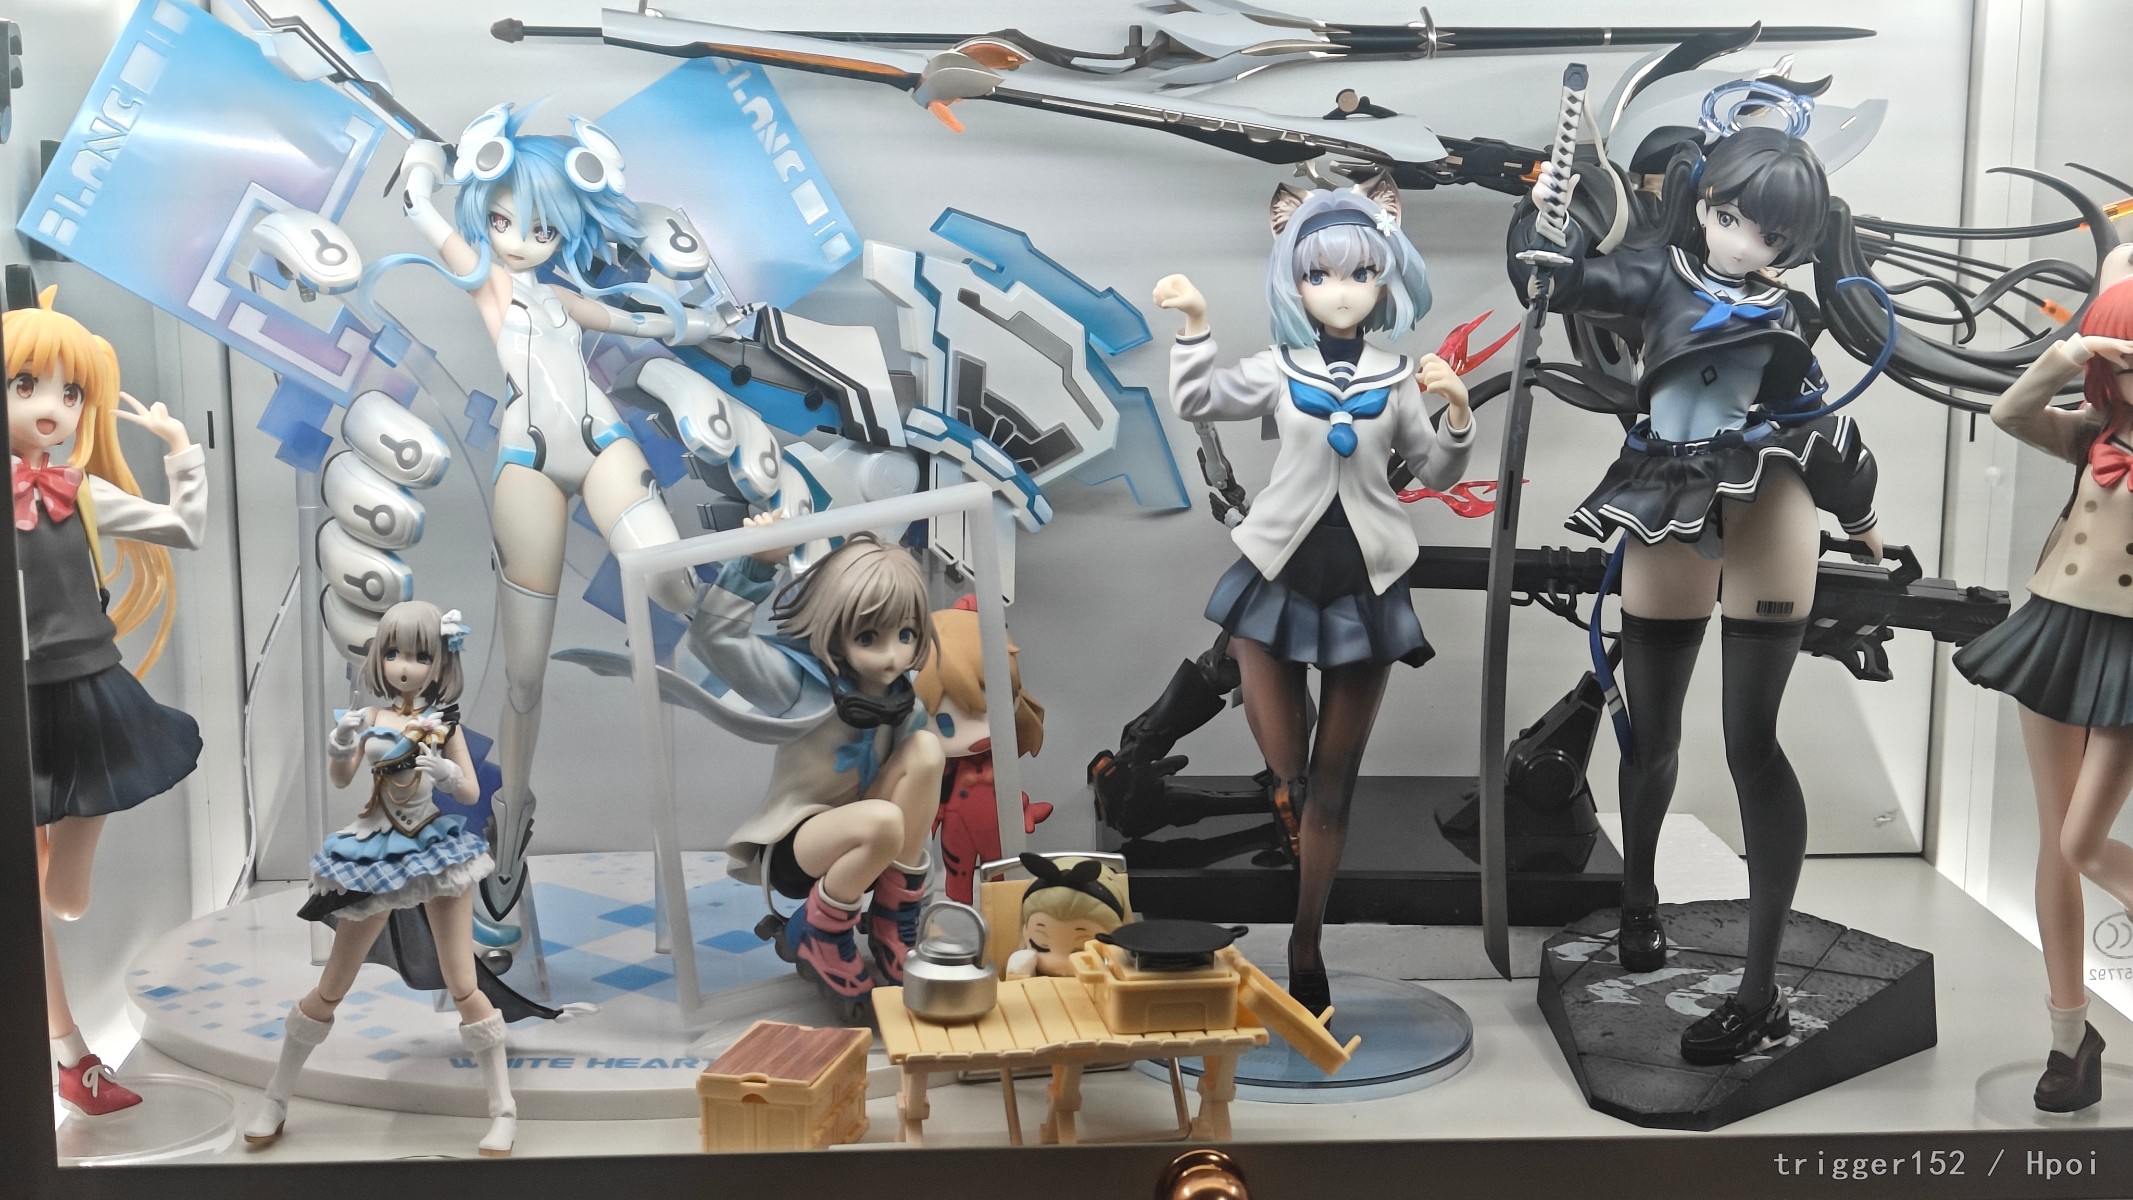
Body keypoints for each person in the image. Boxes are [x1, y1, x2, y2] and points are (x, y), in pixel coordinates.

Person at [1511, 118, 1882, 1065]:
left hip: (1769, 493)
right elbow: (1556, 281)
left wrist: (1862, 519)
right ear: (1702, 203)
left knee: (1750, 742)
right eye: (1730, 218)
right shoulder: (1655, 273)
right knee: (1652, 726)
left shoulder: (1790, 313)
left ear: (1793, 242)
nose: (1744, 243)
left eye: (1770, 235)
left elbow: (1814, 415)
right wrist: (1540, 216)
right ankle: (1638, 896)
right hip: (1666, 491)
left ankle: (1758, 991)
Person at [1153, 175, 1476, 1015]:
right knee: (1290, 775)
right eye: (1318, 274)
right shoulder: (1278, 367)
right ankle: (1288, 831)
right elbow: (1196, 400)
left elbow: (1436, 472)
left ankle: (1306, 942)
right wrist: (1195, 324)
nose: (1339, 291)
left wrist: (1455, 414)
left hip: (1365, 581)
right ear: (1293, 281)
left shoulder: (1398, 377)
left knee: (1334, 786)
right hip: (1277, 574)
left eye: (1359, 273)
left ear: (1384, 278)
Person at [9, 288, 206, 1117]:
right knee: (36, 896)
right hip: (20, 701)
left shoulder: (77, 489)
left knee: (63, 889)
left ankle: (69, 1055)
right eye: (26, 385)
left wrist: (182, 452)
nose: (50, 407)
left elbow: (182, 530)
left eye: (69, 391)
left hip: (87, 687)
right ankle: (71, 1057)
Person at [244, 601, 519, 1157]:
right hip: (377, 848)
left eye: (420, 656)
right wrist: (340, 744)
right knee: (333, 983)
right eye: (393, 653)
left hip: (434, 848)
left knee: (463, 983)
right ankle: (275, 1097)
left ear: (440, 662)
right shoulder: (370, 717)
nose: (404, 667)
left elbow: (470, 791)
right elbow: (342, 776)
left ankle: (504, 1109)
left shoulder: (444, 723)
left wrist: (448, 773)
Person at [1953, 278, 2133, 1112]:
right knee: (2052, 842)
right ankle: (2068, 1037)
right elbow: (2009, 414)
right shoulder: (2091, 432)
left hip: (2127, 650)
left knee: (2084, 842)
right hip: (2056, 631)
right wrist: (2071, 352)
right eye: (2127, 360)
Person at [689, 514, 945, 1014]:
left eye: (906, 634)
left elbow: (918, 804)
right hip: (800, 847)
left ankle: (893, 920)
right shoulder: (800, 686)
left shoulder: (903, 703)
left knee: (927, 750)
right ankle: (819, 933)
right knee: (882, 820)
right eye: (869, 638)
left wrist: (920, 903)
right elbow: (714, 639)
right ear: (836, 630)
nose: (892, 656)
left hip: (876, 841)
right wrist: (756, 565)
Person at [913, 594, 1051, 905]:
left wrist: (1024, 809)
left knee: (1001, 880)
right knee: (958, 879)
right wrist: (928, 821)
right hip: (957, 831)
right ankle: (961, 913)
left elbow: (1013, 795)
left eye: (990, 711)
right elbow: (933, 800)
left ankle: (1001, 916)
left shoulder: (1000, 763)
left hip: (998, 831)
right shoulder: (942, 770)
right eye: (948, 723)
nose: (977, 734)